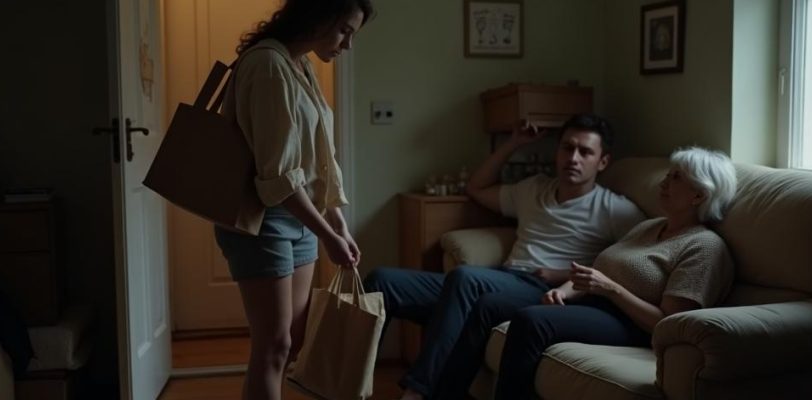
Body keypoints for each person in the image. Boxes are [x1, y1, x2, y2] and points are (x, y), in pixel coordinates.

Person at [363, 114, 646, 400]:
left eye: (585, 152)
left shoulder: (615, 209)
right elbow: (476, 188)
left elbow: (634, 261)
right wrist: (514, 143)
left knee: (466, 278)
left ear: (602, 162)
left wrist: (563, 276)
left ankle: (418, 392)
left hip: (543, 289)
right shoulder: (533, 188)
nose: (573, 158)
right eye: (567, 148)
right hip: (503, 277)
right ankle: (349, 384)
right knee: (383, 281)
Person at [434, 146, 738, 399]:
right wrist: (563, 291)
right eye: (668, 174)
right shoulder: (649, 227)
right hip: (594, 303)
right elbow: (597, 271)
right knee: (489, 304)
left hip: (632, 325)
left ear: (699, 195)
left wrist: (611, 290)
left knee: (531, 321)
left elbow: (667, 323)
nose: (664, 182)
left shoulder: (704, 246)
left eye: (676, 177)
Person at [212, 1, 374, 399]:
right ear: (318, 16)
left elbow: (317, 160)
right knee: (274, 345)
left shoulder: (300, 65)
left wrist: (337, 224)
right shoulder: (268, 65)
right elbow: (278, 177)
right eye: (344, 31)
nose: (348, 45)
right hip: (263, 220)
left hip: (301, 216)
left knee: (290, 343)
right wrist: (328, 236)